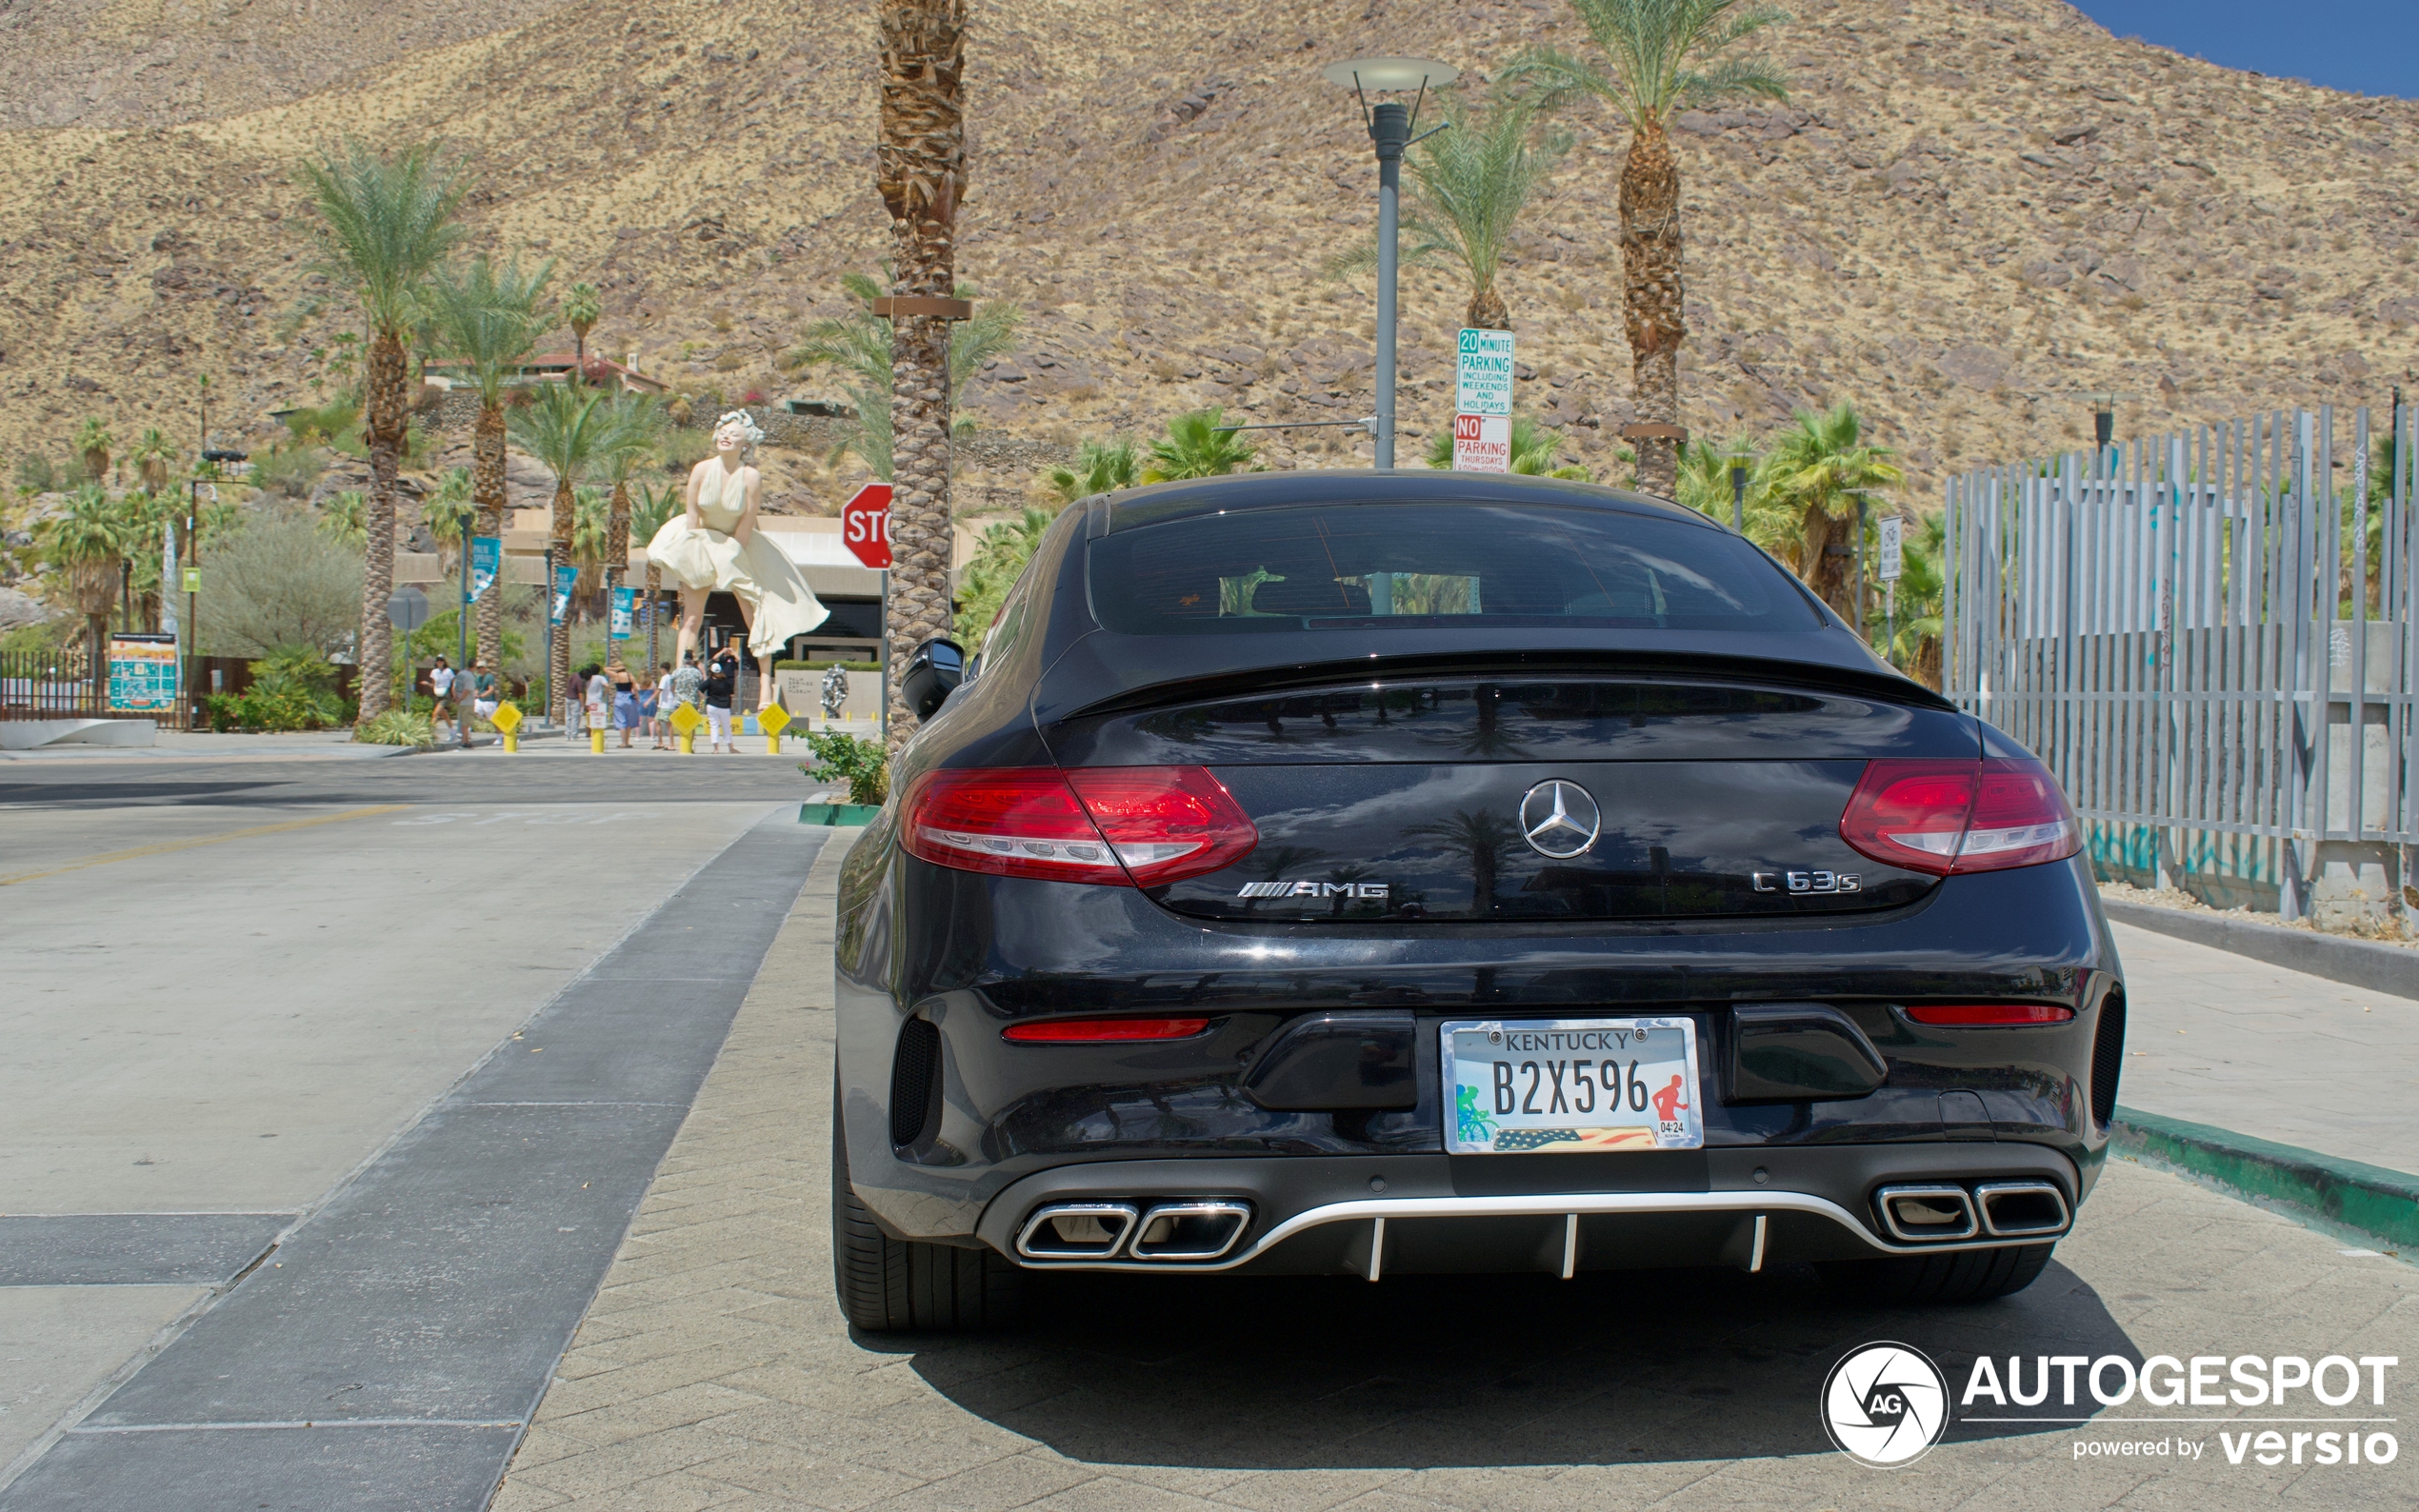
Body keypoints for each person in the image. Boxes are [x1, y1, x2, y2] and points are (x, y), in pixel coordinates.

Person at [643, 410, 830, 710]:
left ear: (746, 444)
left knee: (755, 617)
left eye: (735, 434)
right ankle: (683, 687)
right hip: (701, 540)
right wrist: (698, 557)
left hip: (737, 546)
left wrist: (730, 557)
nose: (726, 436)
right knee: (691, 616)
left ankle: (766, 689)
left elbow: (746, 523)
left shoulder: (750, 476)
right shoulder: (701, 470)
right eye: (723, 431)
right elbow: (692, 519)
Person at [662, 652, 705, 749]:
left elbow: (671, 685)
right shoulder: (697, 672)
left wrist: (676, 694)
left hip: (679, 701)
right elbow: (701, 686)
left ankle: (681, 743)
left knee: (680, 722)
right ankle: (689, 745)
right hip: (692, 701)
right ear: (692, 661)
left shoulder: (677, 672)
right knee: (691, 723)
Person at [702, 648, 738, 753]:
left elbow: (700, 689)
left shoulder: (710, 681)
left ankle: (716, 749)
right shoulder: (727, 682)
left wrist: (705, 698)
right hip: (724, 706)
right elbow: (731, 693)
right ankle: (730, 748)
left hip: (712, 705)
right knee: (726, 727)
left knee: (714, 727)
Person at [610, 660, 639, 748]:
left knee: (621, 721)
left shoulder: (616, 676)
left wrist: (615, 668)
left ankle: (623, 743)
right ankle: (627, 742)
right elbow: (635, 687)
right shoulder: (630, 676)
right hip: (629, 698)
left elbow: (605, 669)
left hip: (619, 698)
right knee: (629, 721)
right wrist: (637, 698)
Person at [427, 656, 455, 738]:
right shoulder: (434, 672)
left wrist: (454, 694)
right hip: (437, 694)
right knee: (444, 715)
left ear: (444, 662)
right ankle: (452, 731)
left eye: (441, 660)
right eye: (438, 660)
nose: (439, 662)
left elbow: (453, 682)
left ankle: (430, 733)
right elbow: (434, 684)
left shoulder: (448, 671)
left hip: (445, 694)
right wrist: (427, 684)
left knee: (435, 713)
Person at [581, 663, 609, 746]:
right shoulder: (600, 678)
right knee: (598, 718)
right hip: (598, 701)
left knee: (589, 718)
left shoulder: (587, 678)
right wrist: (605, 693)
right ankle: (597, 734)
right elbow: (607, 686)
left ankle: (588, 734)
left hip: (589, 701)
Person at [635, 672, 660, 751]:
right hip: (651, 702)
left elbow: (635, 694)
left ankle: (638, 736)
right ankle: (652, 737)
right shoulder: (652, 683)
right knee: (651, 720)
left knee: (639, 720)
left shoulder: (637, 685)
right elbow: (655, 693)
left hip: (641, 702)